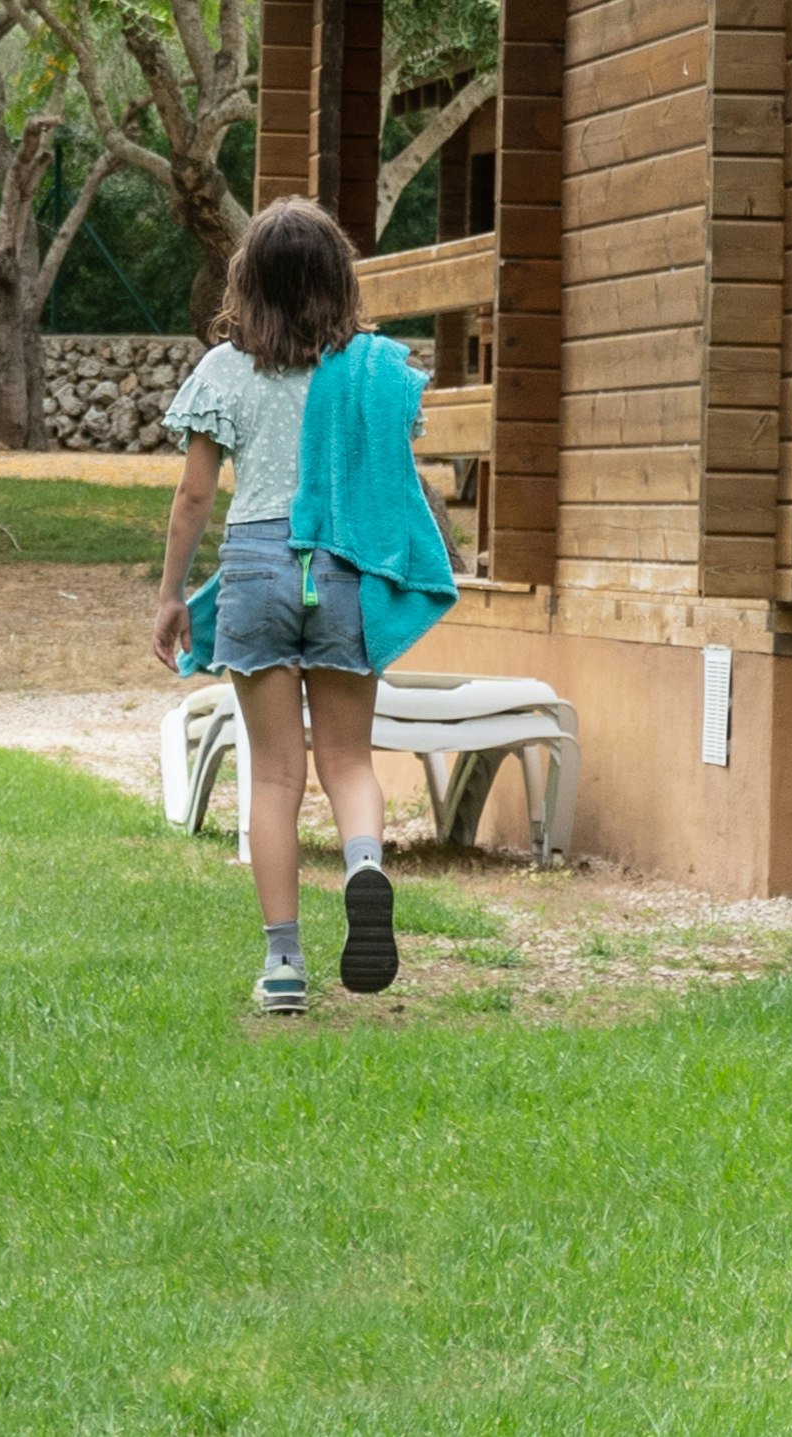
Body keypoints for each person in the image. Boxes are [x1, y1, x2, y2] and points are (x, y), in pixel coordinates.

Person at [149, 196, 456, 1016]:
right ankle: (363, 866)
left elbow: (193, 496)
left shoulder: (223, 369)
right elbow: (391, 466)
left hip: (254, 569)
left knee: (276, 776)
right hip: (344, 566)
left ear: (247, 281)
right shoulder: (372, 368)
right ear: (337, 279)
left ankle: (284, 964)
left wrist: (173, 593)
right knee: (349, 761)